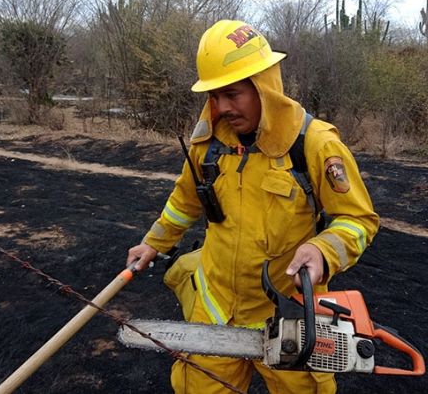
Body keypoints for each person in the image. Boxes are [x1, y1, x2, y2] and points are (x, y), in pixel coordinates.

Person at [126, 20, 380, 393]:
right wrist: (153, 243)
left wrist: (323, 251)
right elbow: (184, 201)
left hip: (290, 312)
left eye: (232, 94)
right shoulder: (208, 145)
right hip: (216, 307)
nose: (222, 107)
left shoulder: (315, 145)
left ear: (265, 86)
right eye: (214, 96)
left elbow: (357, 219)